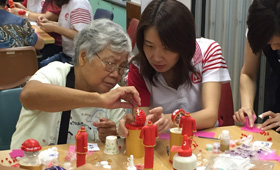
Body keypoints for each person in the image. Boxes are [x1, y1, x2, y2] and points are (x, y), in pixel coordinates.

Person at [10, 19, 140, 149]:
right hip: (24, 162)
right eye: (110, 64)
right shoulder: (56, 74)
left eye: (122, 67)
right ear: (83, 56)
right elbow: (28, 96)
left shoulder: (114, 94)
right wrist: (98, 100)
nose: (116, 74)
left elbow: (121, 152)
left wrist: (113, 136)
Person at [118, 0, 231, 137]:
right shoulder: (138, 68)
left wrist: (172, 120)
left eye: (166, 48)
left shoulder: (208, 52)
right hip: (163, 144)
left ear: (183, 44)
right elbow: (145, 121)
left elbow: (210, 116)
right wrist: (133, 123)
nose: (156, 57)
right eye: (149, 46)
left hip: (206, 138)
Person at [234, 0, 280, 132]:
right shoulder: (259, 28)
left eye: (277, 43)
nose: (273, 48)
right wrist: (247, 107)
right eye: (268, 44)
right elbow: (248, 73)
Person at [37, 0, 92, 68]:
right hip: (65, 54)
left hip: (74, 60)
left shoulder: (79, 5)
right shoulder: (66, 3)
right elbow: (67, 26)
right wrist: (49, 22)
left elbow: (81, 36)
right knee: (37, 67)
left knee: (39, 69)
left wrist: (54, 28)